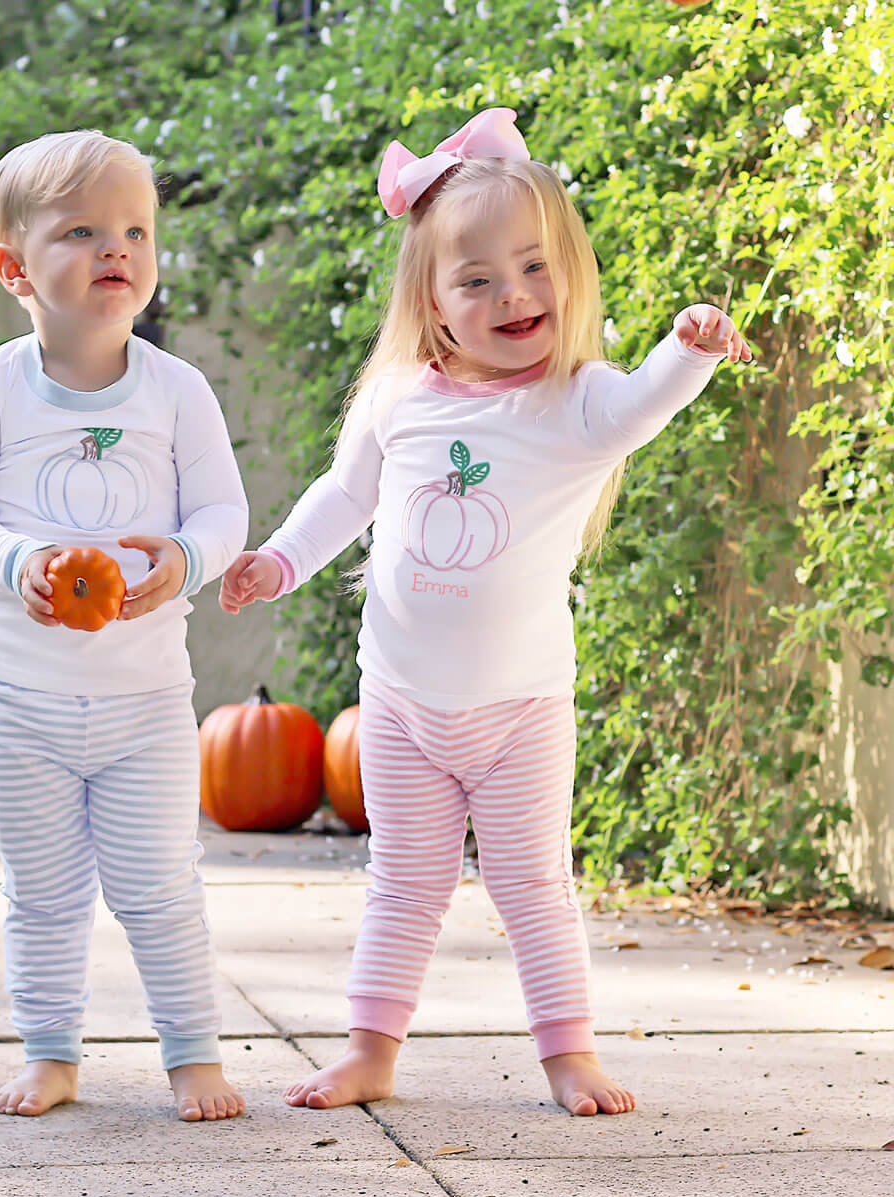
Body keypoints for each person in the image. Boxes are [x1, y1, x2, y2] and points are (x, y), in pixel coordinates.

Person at [218, 108, 752, 1117]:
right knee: (402, 885)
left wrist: (688, 351)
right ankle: (370, 1053)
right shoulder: (397, 399)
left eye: (536, 268)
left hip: (520, 712)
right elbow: (344, 497)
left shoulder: (577, 400)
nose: (514, 294)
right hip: (404, 704)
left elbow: (644, 407)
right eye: (477, 279)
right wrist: (278, 563)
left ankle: (568, 1057)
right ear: (433, 302)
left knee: (532, 885)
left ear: (570, 273)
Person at [0, 129, 249, 1122]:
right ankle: (51, 1054)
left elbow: (223, 516)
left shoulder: (175, 390)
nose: (119, 248)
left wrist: (183, 563)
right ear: (15, 268)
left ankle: (193, 1055)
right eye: (82, 231)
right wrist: (18, 559)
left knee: (160, 890)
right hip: (18, 705)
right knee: (44, 896)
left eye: (136, 230)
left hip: (146, 704)